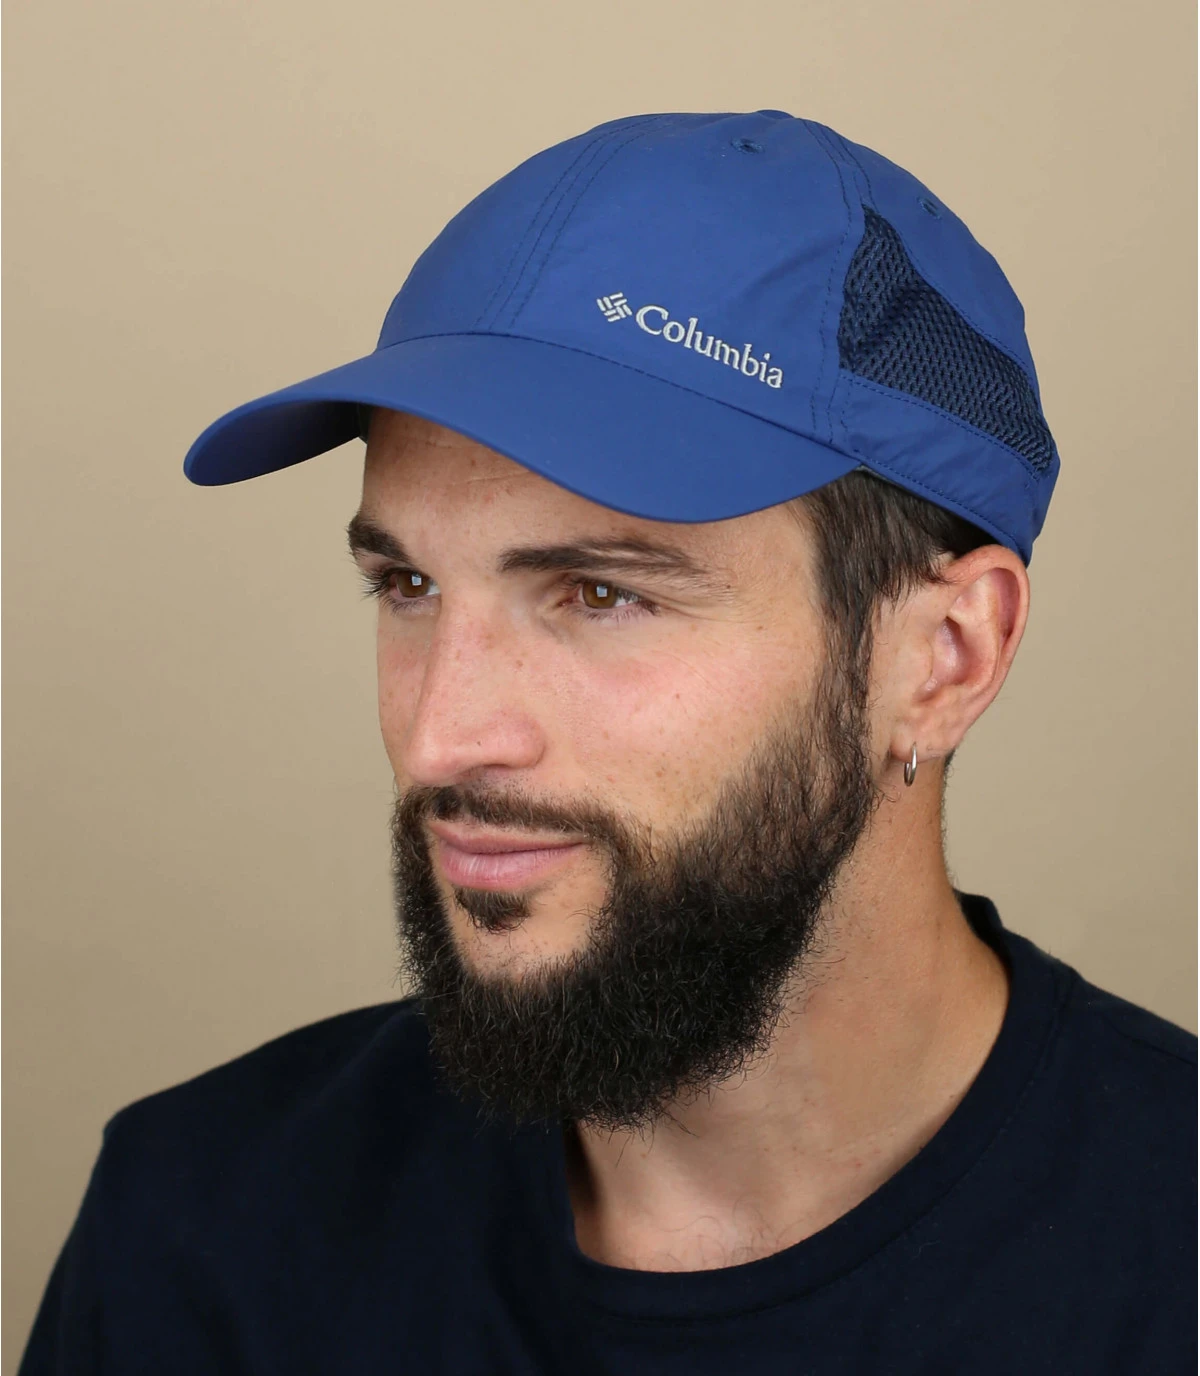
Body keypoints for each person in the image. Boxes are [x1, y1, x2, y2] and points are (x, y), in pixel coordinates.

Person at [20, 110, 1195, 1374]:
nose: (441, 737)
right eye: (408, 585)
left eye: (599, 593)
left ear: (944, 657)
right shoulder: (205, 1231)